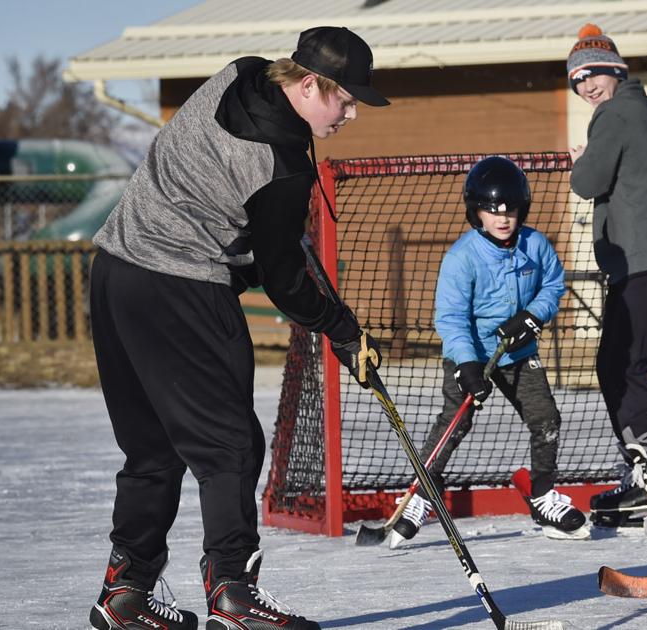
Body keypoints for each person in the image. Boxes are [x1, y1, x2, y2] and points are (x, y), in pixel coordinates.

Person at [87, 27, 388, 630]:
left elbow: (218, 200)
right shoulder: (281, 165)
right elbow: (284, 278)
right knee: (230, 446)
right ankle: (233, 594)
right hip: (182, 289)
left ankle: (125, 592)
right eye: (345, 99)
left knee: (153, 447)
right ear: (307, 84)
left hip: (116, 273)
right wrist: (343, 328)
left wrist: (251, 253)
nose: (352, 113)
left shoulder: (240, 71)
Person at [388, 156, 590, 548]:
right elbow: (450, 317)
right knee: (456, 421)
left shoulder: (535, 245)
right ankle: (422, 494)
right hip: (472, 352)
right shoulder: (462, 257)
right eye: (491, 211)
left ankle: (543, 494)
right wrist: (466, 363)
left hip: (516, 352)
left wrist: (532, 316)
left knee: (545, 416)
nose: (502, 219)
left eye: (510, 210)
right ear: (475, 212)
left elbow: (553, 285)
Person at [565, 24, 647, 527]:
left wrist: (579, 163)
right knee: (615, 365)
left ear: (615, 72)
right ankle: (646, 472)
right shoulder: (631, 110)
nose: (587, 86)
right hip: (645, 260)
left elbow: (588, 181)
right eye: (578, 80)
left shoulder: (616, 112)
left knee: (629, 366)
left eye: (595, 74)